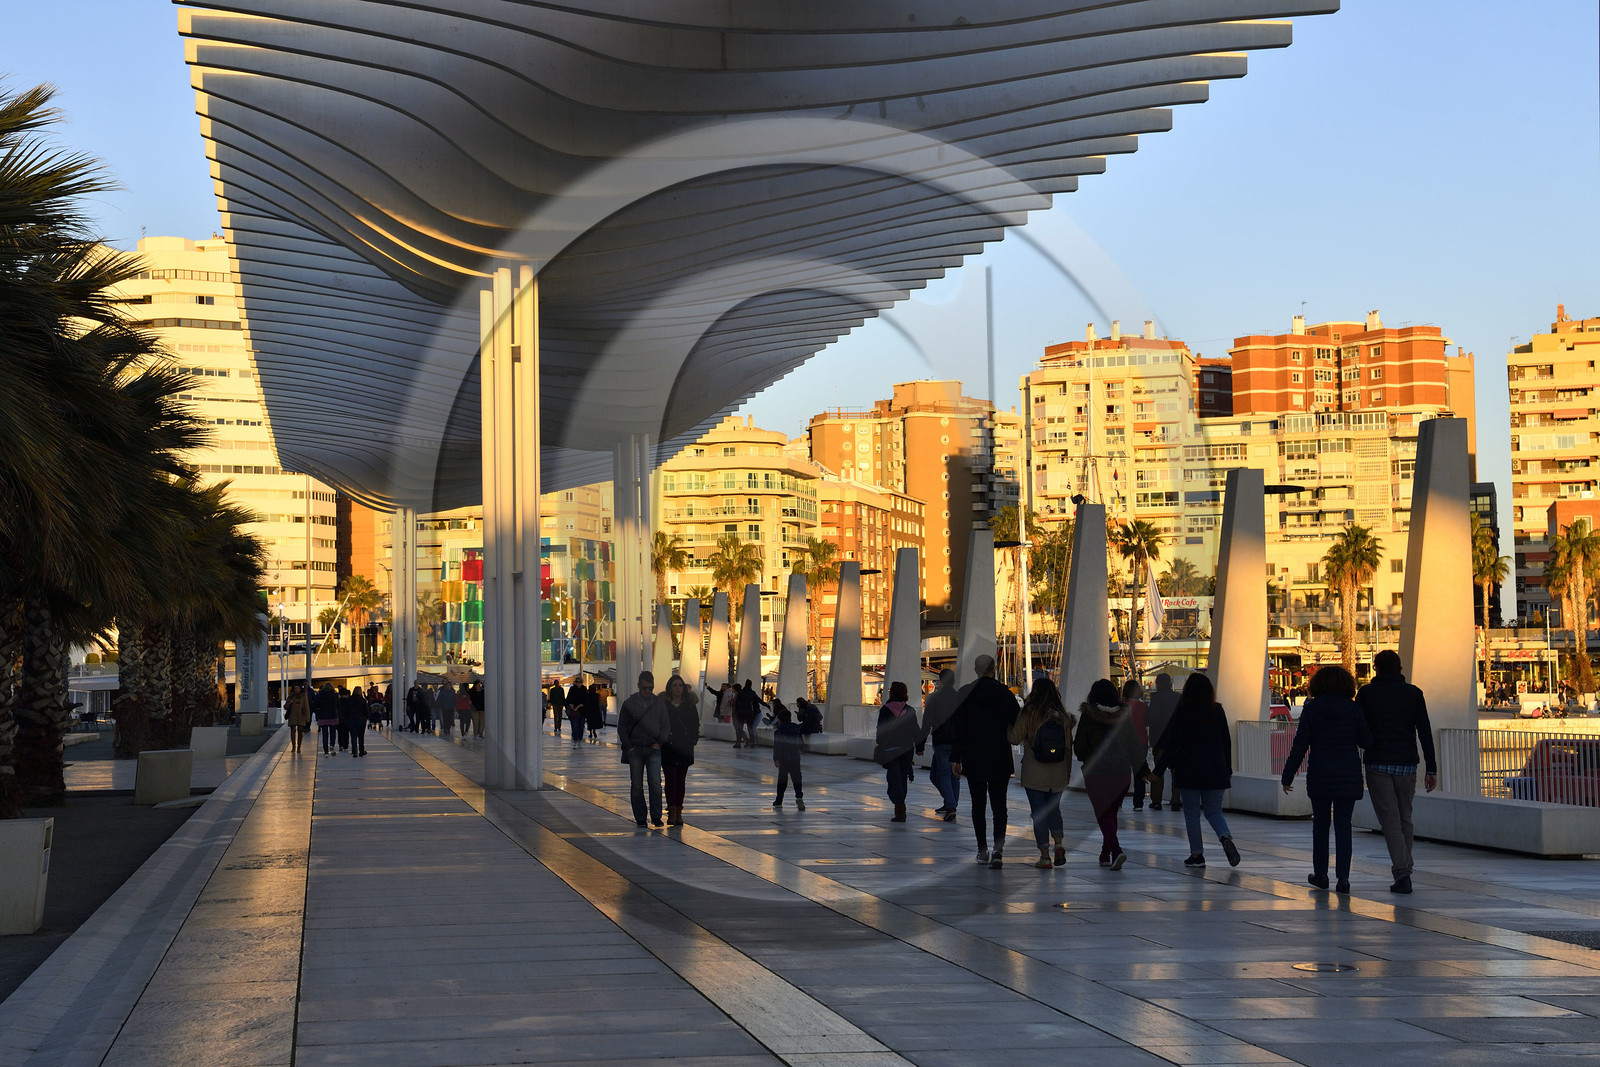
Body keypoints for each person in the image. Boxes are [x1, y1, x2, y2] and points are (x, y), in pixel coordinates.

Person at [1282, 664, 1372, 893]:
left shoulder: (1313, 709)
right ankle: (1343, 878)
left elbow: (1300, 743)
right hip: (1347, 774)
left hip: (1320, 774)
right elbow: (1366, 741)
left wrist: (1288, 774)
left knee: (1320, 826)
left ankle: (1321, 874)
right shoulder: (1354, 709)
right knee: (1344, 827)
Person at [1356, 650, 1437, 894]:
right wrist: (1431, 768)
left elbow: (1358, 727)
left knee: (1390, 821)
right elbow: (1424, 731)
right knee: (1405, 818)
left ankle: (1402, 873)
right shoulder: (1413, 694)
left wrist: (1367, 743)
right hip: (1407, 764)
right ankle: (1406, 867)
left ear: (1376, 668)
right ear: (1399, 668)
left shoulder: (1367, 694)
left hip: (1378, 763)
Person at [1152, 673, 1238, 868]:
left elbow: (1172, 744)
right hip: (1216, 770)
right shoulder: (1218, 711)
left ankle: (1197, 855)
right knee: (1214, 811)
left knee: (1192, 813)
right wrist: (1228, 768)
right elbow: (1226, 741)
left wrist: (1158, 771)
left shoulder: (1183, 711)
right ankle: (1225, 837)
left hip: (1189, 770)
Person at [949, 654, 1019, 868]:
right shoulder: (1005, 694)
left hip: (974, 756)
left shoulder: (965, 694)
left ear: (975, 670)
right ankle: (998, 850)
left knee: (978, 805)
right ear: (994, 669)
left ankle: (982, 849)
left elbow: (958, 729)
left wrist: (955, 758)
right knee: (1000, 806)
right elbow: (1017, 721)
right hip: (999, 756)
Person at [1073, 678, 1144, 871]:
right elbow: (1134, 744)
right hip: (1121, 772)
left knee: (1104, 814)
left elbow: (1079, 746)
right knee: (1111, 814)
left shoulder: (1088, 715)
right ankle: (1106, 854)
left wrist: (1088, 760)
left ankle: (1116, 850)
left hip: (1097, 773)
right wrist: (1141, 769)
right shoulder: (1124, 715)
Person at [1008, 677, 1073, 869]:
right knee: (1054, 809)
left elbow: (1014, 738)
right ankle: (1059, 843)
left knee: (1038, 813)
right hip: (1058, 772)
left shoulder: (1029, 713)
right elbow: (1069, 747)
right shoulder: (1062, 715)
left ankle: (1045, 855)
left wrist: (1007, 727)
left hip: (1035, 772)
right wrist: (1067, 773)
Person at [617, 671, 669, 828]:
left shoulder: (659, 703)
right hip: (636, 749)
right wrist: (629, 746)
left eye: (650, 688)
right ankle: (640, 817)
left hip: (653, 749)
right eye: (645, 688)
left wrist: (660, 742)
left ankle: (656, 816)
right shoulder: (629, 703)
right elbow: (622, 727)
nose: (647, 691)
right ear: (639, 685)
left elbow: (666, 725)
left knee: (655, 783)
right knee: (637, 785)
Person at [919, 668, 963, 821]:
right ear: (953, 681)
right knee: (949, 775)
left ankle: (951, 806)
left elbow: (927, 723)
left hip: (941, 741)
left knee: (943, 775)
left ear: (941, 681)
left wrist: (920, 743)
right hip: (956, 742)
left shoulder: (934, 698)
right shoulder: (960, 698)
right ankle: (950, 803)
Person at [874, 681, 919, 822]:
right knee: (902, 779)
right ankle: (900, 807)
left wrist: (880, 743)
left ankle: (900, 807)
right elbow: (915, 730)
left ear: (892, 693)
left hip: (891, 750)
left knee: (893, 779)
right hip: (906, 749)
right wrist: (920, 747)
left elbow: (880, 730)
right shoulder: (910, 710)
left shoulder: (886, 710)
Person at [661, 675, 700, 825]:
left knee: (681, 781)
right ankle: (671, 811)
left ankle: (679, 811)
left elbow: (695, 724)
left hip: (684, 747)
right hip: (669, 747)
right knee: (671, 780)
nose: (678, 688)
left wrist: (693, 740)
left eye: (680, 685)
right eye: (675, 685)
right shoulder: (664, 704)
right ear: (670, 688)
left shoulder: (689, 705)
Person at [1143, 673, 1181, 812]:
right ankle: (1176, 801)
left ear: (1158, 684)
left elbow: (1153, 719)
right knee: (1176, 771)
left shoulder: (1157, 698)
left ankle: (1157, 801)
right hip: (1177, 741)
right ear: (1170, 684)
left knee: (1159, 771)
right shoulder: (1179, 697)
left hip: (1161, 741)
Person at [1123, 680, 1151, 810]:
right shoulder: (1144, 707)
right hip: (1141, 742)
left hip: (1124, 743)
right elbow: (1148, 722)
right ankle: (1138, 803)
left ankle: (1118, 801)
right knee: (1139, 773)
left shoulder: (1121, 706)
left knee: (1122, 773)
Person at [771, 704, 806, 811]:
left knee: (782, 780)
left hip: (783, 759)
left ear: (780, 720)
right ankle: (799, 797)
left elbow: (778, 746)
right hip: (795, 758)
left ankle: (779, 801)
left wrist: (776, 759)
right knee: (797, 779)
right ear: (790, 718)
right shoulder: (796, 729)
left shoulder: (778, 732)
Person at [341, 684, 369, 758]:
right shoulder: (362, 701)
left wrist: (345, 718)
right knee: (361, 736)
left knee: (353, 736)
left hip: (351, 720)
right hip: (361, 720)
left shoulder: (349, 700)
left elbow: (345, 710)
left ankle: (354, 751)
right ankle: (361, 751)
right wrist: (366, 717)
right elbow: (366, 711)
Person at [314, 682, 340, 756]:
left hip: (323, 716)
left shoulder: (320, 695)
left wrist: (318, 713)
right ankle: (332, 745)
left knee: (324, 734)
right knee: (333, 732)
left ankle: (326, 752)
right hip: (333, 716)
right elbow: (338, 704)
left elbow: (315, 704)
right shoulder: (335, 695)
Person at [284, 683, 311, 754]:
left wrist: (307, 717)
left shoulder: (303, 696)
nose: (296, 690)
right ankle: (293, 746)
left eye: (298, 688)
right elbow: (285, 707)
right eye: (295, 688)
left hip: (301, 716)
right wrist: (289, 703)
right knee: (292, 732)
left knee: (300, 731)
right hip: (292, 716)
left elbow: (306, 707)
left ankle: (299, 747)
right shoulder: (290, 696)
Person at [733, 679, 760, 748]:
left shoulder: (740, 692)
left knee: (739, 728)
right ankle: (752, 742)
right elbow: (757, 701)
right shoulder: (752, 693)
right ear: (750, 685)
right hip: (749, 712)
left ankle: (738, 743)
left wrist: (736, 711)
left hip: (741, 712)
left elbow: (736, 703)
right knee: (750, 727)